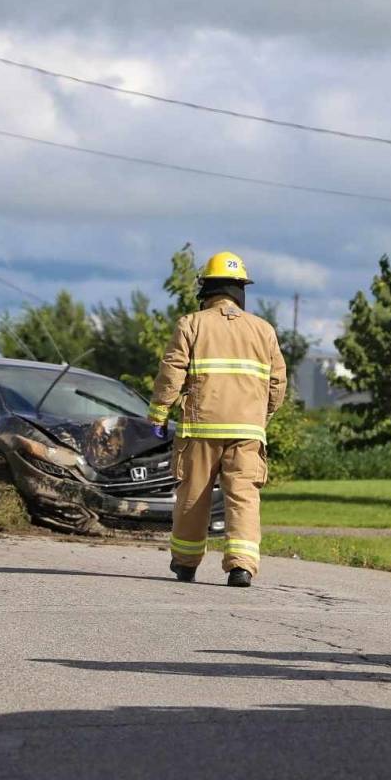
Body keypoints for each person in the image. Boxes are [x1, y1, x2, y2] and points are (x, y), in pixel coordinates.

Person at [148, 251, 287, 587]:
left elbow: (172, 372)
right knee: (243, 496)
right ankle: (241, 566)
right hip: (247, 430)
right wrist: (261, 415)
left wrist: (159, 412)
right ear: (240, 289)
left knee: (194, 495)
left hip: (201, 427)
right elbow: (278, 382)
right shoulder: (263, 330)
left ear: (206, 289)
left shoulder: (191, 324)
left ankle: (185, 563)